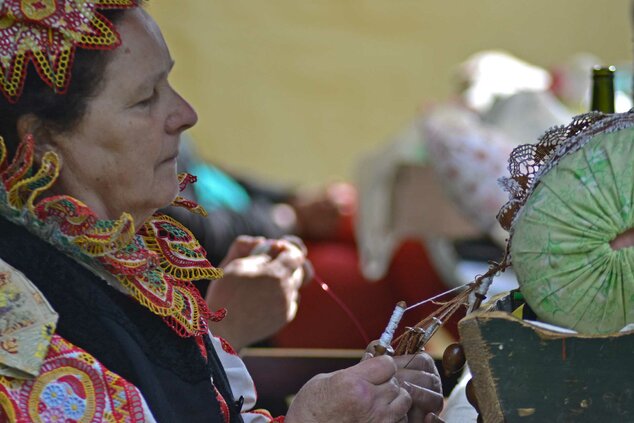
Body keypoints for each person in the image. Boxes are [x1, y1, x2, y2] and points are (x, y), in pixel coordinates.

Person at [0, 1, 443, 422]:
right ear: (40, 140)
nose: (185, 114)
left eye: (168, 85)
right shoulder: (20, 322)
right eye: (143, 99)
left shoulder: (124, 254)